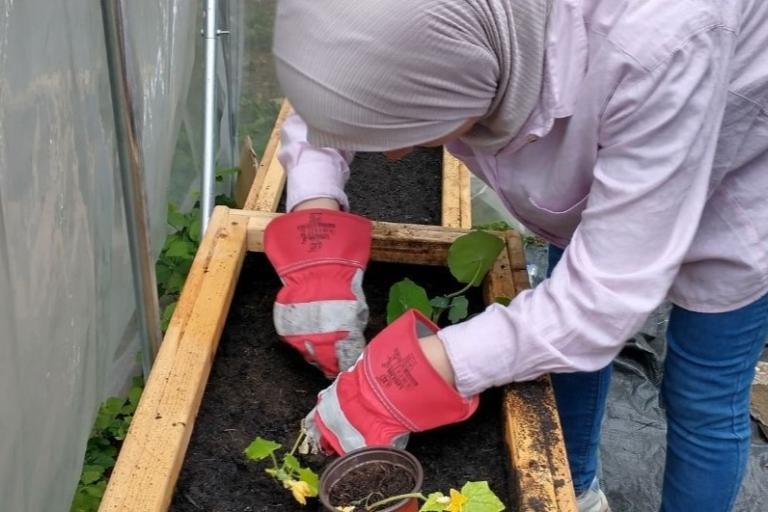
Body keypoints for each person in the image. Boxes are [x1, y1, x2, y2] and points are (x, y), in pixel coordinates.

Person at [261, 1, 768, 511]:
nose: (393, 155)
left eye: (408, 130)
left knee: (703, 392)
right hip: (612, 137)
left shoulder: (661, 42)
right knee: (561, 349)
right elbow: (344, 65)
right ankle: (577, 489)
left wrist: (415, 370)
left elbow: (600, 301)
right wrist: (315, 215)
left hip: (738, 180)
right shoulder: (462, 31)